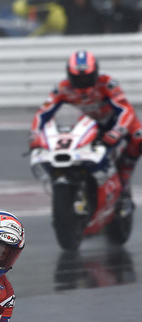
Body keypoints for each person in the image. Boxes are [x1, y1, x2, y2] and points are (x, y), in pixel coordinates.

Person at [30, 50, 141, 207]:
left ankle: (124, 181)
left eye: (87, 77)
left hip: (115, 123)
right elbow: (42, 113)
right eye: (78, 78)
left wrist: (117, 131)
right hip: (88, 126)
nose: (82, 82)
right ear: (69, 75)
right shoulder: (62, 88)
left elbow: (126, 110)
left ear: (95, 73)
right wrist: (35, 135)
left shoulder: (107, 83)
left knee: (138, 136)